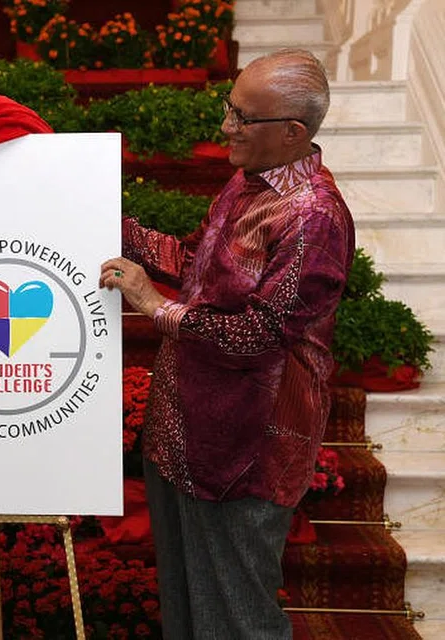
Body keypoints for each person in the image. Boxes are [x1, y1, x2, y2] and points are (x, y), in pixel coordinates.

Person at [100, 49, 355, 639]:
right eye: (230, 109)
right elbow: (198, 266)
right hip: (185, 427)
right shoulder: (249, 183)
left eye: (243, 117)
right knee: (188, 613)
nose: (225, 127)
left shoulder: (313, 217)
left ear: (292, 132)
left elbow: (259, 335)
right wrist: (109, 221)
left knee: (239, 621)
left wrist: (151, 305)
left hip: (247, 449)